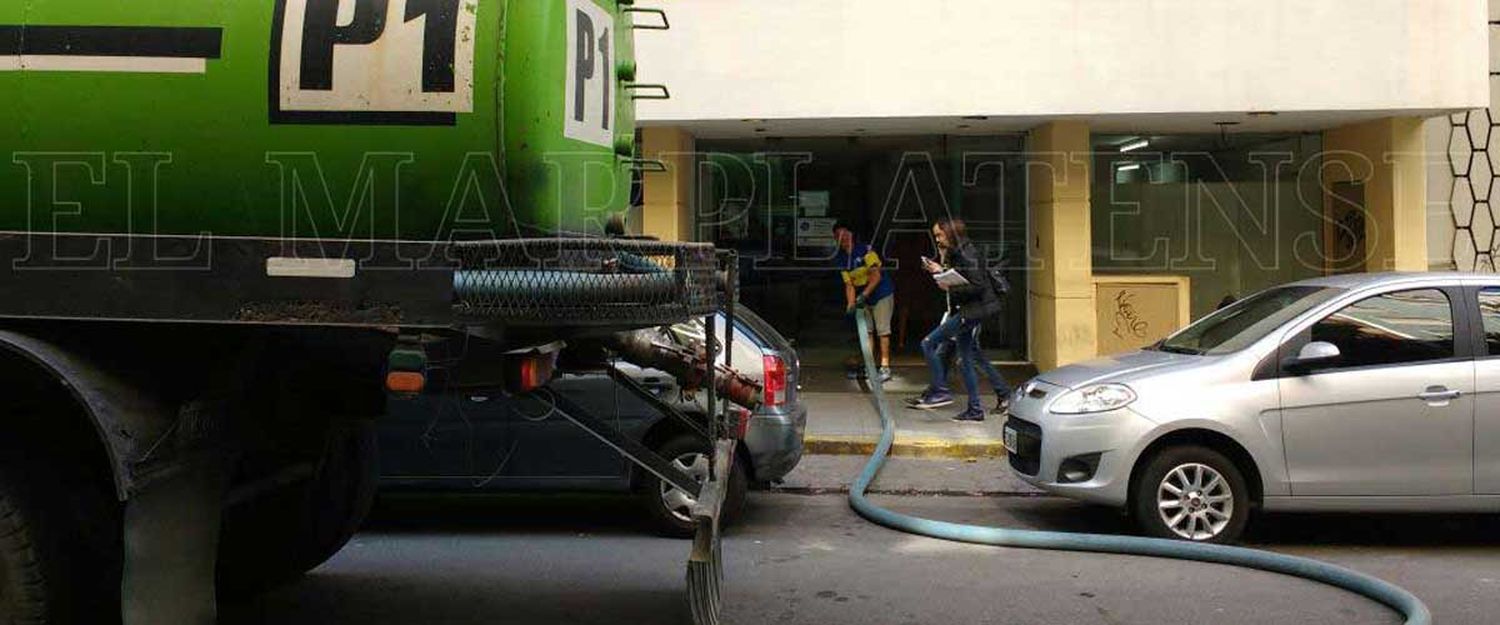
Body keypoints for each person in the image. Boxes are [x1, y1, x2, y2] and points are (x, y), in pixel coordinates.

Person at [909, 219, 1011, 421]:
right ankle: (975, 409)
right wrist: (940, 270)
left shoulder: (967, 253)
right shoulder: (959, 251)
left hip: (972, 312)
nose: (937, 239)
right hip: (967, 310)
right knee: (966, 358)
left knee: (929, 343)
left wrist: (949, 285)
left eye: (939, 235)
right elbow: (961, 276)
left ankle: (939, 390)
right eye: (936, 235)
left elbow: (977, 285)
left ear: (950, 233)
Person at [832, 221, 895, 381]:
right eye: (839, 236)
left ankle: (885, 367)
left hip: (881, 293)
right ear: (835, 239)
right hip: (864, 297)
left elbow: (876, 276)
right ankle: (869, 366)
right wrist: (850, 303)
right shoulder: (840, 258)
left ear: (852, 235)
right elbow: (849, 284)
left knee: (883, 331)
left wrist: (864, 296)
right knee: (867, 332)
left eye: (846, 234)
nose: (843, 238)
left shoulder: (866, 250)